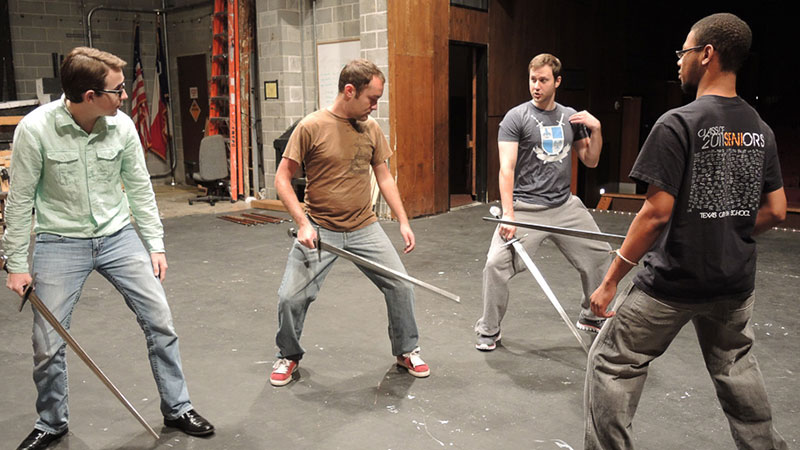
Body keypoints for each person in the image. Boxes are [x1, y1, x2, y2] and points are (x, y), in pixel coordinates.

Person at [584, 13, 788, 449]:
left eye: (685, 52)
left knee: (612, 362)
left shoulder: (678, 123)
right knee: (735, 367)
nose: (679, 61)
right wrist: (727, 227)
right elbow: (777, 210)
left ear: (707, 54)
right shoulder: (760, 128)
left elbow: (655, 215)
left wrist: (609, 282)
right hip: (734, 282)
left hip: (674, 282)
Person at [2, 47, 214, 450]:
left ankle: (178, 406)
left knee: (160, 321)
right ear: (89, 96)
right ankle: (51, 423)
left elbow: (139, 188)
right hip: (59, 241)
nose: (124, 97)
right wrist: (16, 263)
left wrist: (155, 244)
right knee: (47, 343)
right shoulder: (35, 129)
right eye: (118, 90)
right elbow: (20, 199)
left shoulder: (122, 127)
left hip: (118, 237)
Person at [269, 59, 429, 387]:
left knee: (401, 285)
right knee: (290, 297)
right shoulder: (311, 126)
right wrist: (302, 222)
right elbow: (282, 179)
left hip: (363, 226)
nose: (375, 105)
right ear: (349, 90)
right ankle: (289, 354)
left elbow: (384, 177)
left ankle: (406, 349)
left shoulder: (370, 128)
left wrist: (403, 220)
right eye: (372, 98)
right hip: (320, 227)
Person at [474, 53, 611, 351]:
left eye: (543, 80)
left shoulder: (571, 117)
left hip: (564, 206)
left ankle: (591, 316)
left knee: (600, 254)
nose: (536, 86)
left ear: (557, 81)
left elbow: (590, 159)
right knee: (495, 264)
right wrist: (508, 213)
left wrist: (596, 129)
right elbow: (506, 168)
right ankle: (489, 329)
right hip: (525, 208)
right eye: (533, 80)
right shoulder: (516, 118)